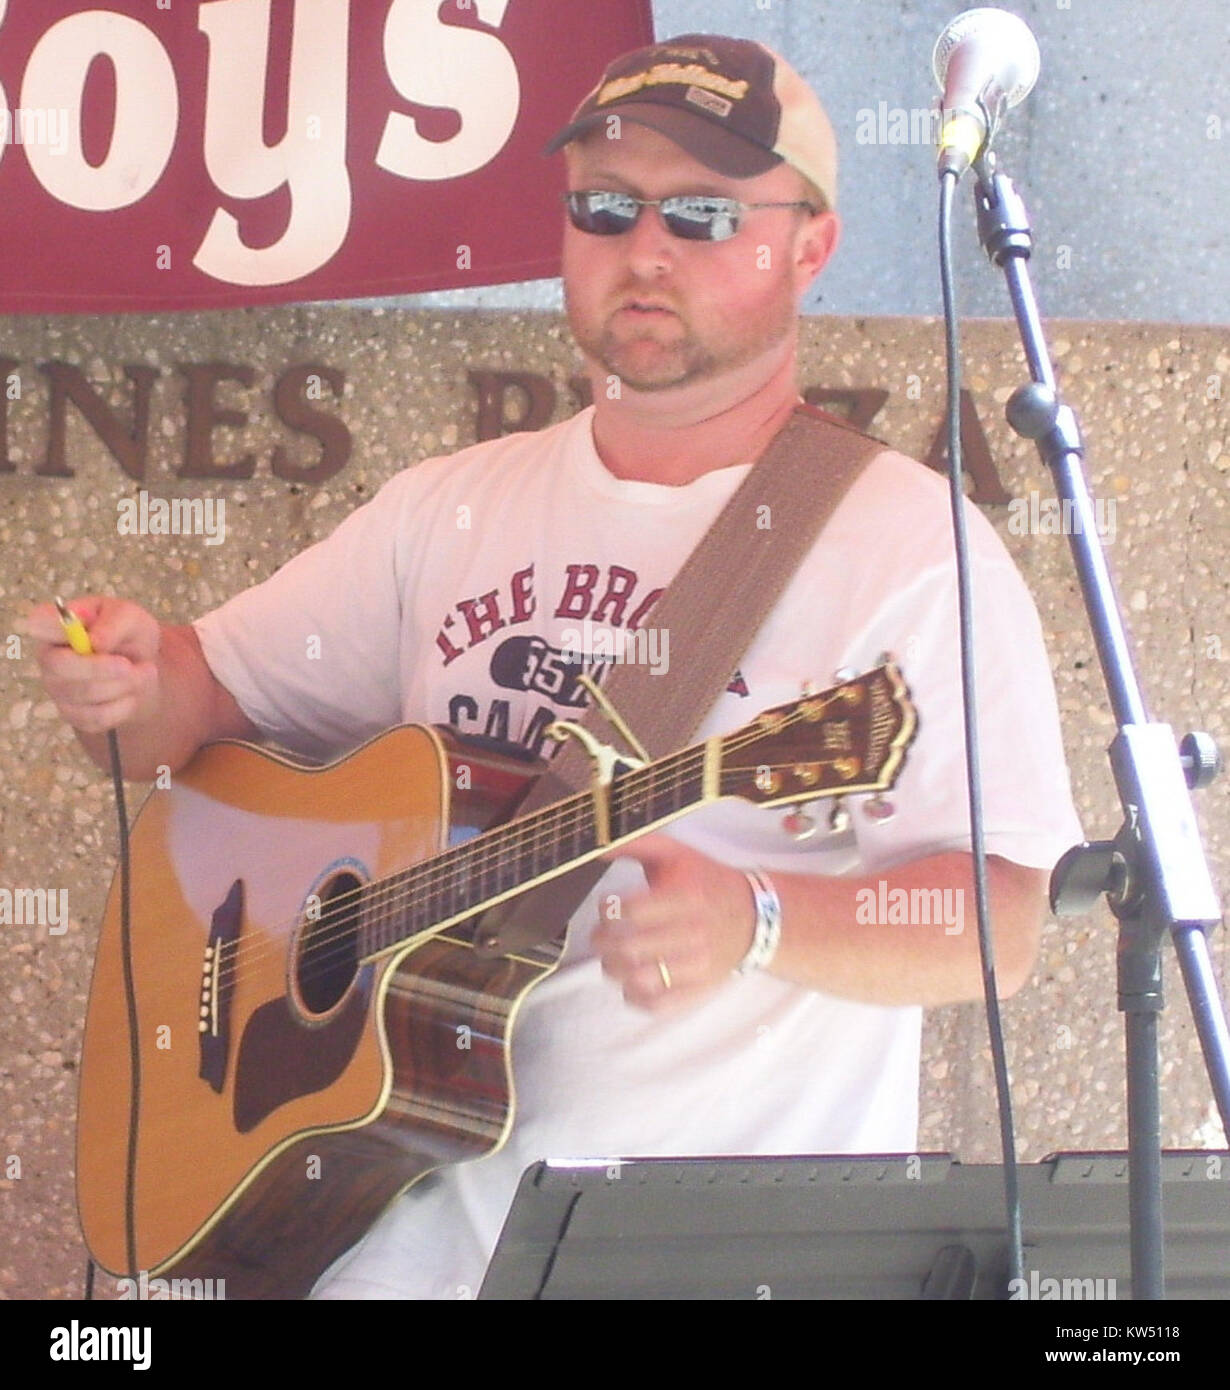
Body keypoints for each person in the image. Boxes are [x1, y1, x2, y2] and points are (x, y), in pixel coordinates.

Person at [29, 34, 1081, 1298]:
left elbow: (1001, 923)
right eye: (604, 206)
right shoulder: (450, 509)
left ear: (811, 246)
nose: (645, 247)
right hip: (392, 1258)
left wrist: (763, 921)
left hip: (710, 1270)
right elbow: (194, 710)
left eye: (702, 212)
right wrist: (136, 686)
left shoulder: (911, 552)